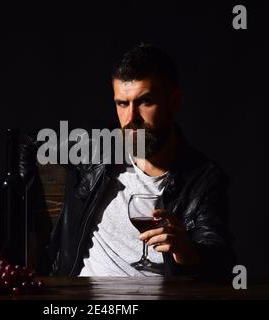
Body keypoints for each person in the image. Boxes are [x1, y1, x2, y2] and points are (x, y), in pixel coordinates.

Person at [20, 43, 236, 279]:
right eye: (122, 104)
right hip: (81, 297)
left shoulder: (203, 179)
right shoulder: (97, 148)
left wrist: (189, 254)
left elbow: (220, 261)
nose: (131, 118)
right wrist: (28, 231)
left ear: (174, 102)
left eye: (145, 102)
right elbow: (27, 143)